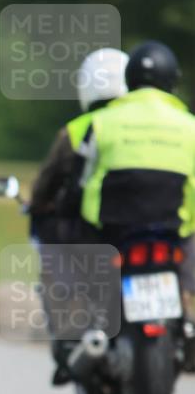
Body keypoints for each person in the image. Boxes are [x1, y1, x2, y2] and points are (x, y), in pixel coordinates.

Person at [78, 41, 195, 368]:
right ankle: (187, 311)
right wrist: (186, 227)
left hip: (115, 231)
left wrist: (89, 220)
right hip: (171, 231)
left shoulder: (103, 122)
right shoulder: (190, 125)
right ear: (173, 81)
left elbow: (85, 181)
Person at [26, 48, 128, 382]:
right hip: (164, 227)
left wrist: (38, 206)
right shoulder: (168, 125)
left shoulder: (80, 129)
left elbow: (46, 185)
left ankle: (70, 332)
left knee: (55, 250)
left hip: (97, 231)